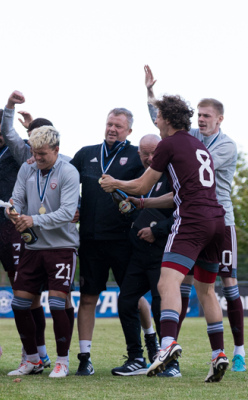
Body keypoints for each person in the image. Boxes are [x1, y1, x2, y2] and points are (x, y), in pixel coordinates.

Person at [100, 94, 229, 383]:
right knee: (207, 291)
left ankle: (167, 343)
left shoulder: (168, 144)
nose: (155, 120)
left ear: (168, 120)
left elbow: (143, 183)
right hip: (216, 221)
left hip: (192, 221)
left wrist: (115, 183)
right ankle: (218, 353)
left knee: (166, 282)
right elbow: (177, 192)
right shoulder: (198, 145)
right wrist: (143, 203)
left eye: (157, 116)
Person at [144, 66, 244, 372]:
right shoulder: (193, 137)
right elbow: (165, 124)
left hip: (218, 217)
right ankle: (200, 353)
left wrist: (129, 190)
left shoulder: (223, 145)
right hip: (206, 217)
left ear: (219, 119)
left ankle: (237, 350)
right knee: (191, 286)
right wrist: (150, 94)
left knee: (225, 283)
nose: (201, 120)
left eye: (206, 116)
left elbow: (191, 170)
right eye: (198, 115)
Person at [69, 106, 146, 376]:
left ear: (129, 131)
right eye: (109, 124)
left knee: (132, 297)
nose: (112, 129)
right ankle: (84, 357)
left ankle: (147, 347)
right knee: (88, 298)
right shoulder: (87, 153)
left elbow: (148, 189)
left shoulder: (136, 156)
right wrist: (75, 204)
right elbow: (65, 180)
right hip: (90, 239)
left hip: (125, 239)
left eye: (119, 126)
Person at [6, 126, 79, 378]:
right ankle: (34, 359)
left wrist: (33, 220)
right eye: (34, 153)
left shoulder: (69, 172)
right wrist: (12, 210)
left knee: (57, 303)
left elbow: (69, 213)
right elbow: (16, 198)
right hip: (32, 246)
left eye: (42, 154)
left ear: (56, 150)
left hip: (61, 247)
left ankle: (62, 361)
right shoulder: (27, 168)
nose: (37, 158)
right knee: (18, 303)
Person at [110, 134, 169, 376]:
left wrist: (157, 230)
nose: (149, 157)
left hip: (163, 253)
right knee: (125, 301)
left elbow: (184, 210)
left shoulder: (173, 175)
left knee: (159, 305)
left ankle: (166, 360)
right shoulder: (142, 179)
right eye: (144, 153)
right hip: (138, 254)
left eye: (154, 152)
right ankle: (136, 357)